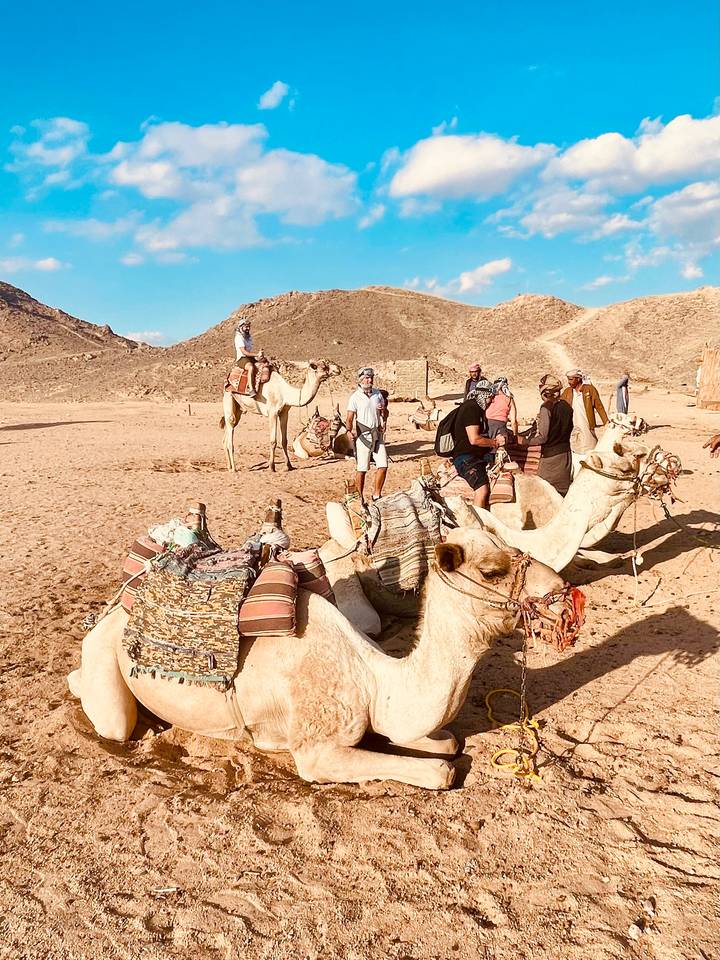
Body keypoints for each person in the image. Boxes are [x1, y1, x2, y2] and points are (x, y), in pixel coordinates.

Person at [451, 378, 505, 508]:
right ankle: (478, 519)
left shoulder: (478, 409)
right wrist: (494, 443)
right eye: (490, 397)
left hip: (477, 455)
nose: (492, 400)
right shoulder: (471, 408)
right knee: (482, 489)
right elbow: (474, 439)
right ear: (483, 395)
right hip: (466, 457)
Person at [519, 374, 574, 496]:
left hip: (551, 459)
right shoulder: (567, 407)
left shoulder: (546, 408)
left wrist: (524, 441)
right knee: (562, 493)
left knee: (543, 492)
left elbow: (543, 437)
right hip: (566, 456)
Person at [346, 367, 389, 502]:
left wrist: (384, 413)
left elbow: (385, 413)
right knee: (362, 469)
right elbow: (350, 417)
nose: (369, 380)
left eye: (371, 378)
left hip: (377, 435)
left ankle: (376, 495)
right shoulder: (355, 397)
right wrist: (348, 430)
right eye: (366, 378)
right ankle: (360, 498)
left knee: (383, 465)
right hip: (363, 436)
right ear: (360, 380)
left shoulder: (377, 394)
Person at [561, 369, 608, 453]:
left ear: (578, 379)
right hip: (573, 427)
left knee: (589, 449)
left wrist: (606, 422)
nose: (569, 382)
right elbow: (559, 406)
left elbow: (599, 407)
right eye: (568, 379)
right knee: (574, 448)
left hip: (587, 425)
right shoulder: (567, 392)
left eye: (571, 379)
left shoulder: (589, 390)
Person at [233, 317, 264, 396]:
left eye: (249, 326)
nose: (248, 328)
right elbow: (244, 352)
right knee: (251, 367)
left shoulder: (248, 337)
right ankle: (251, 389)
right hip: (242, 358)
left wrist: (259, 356)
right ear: (241, 327)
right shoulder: (238, 338)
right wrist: (256, 354)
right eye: (246, 327)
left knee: (265, 362)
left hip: (249, 357)